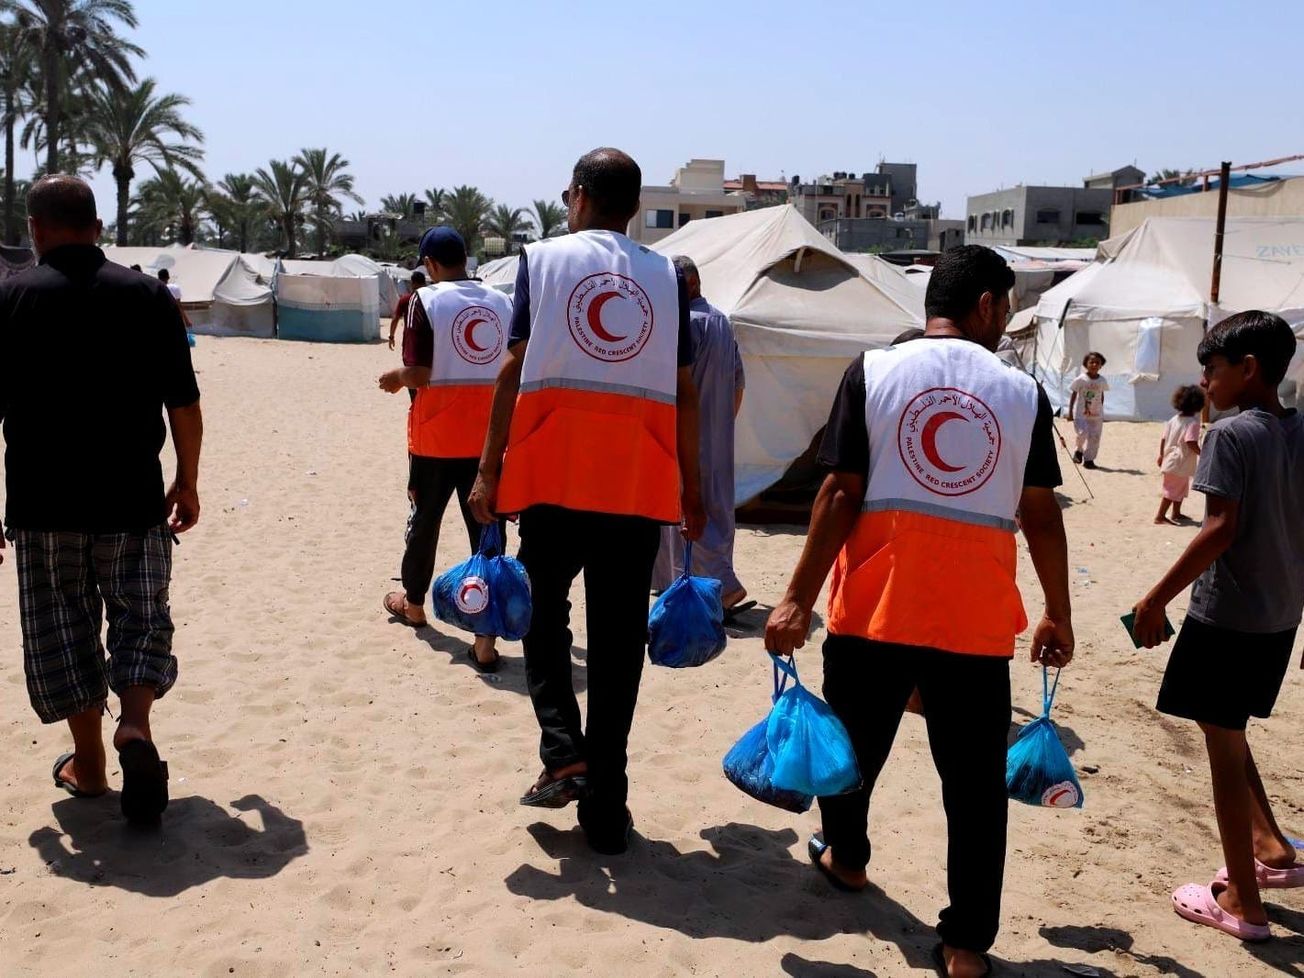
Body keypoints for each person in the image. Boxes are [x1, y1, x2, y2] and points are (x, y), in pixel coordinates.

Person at [765, 245, 1074, 978]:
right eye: (1005, 308)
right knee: (974, 788)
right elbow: (1040, 514)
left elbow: (839, 493)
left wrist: (796, 598)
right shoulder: (1021, 393)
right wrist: (1058, 613)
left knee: (852, 754)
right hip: (974, 620)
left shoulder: (873, 371)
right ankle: (966, 944)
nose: (1005, 321)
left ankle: (848, 858)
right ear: (988, 305)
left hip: (876, 609)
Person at [469, 147, 705, 855]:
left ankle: (563, 748)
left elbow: (512, 368)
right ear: (634, 208)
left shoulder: (542, 261)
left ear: (576, 196)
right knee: (617, 649)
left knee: (541, 617)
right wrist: (693, 487)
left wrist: (488, 470)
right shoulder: (666, 277)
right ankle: (606, 809)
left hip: (554, 477)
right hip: (637, 484)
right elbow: (685, 390)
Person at [0, 176, 202, 826]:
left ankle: (88, 766)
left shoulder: (11, 296)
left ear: (36, 229)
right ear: (97, 226)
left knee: (63, 628)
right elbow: (184, 403)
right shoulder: (147, 295)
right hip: (133, 499)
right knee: (141, 617)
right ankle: (134, 725)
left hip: (42, 506)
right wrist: (187, 479)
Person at [1131, 311, 1303, 943]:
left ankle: (1242, 902)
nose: (1204, 381)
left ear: (1248, 369)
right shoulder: (1298, 428)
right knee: (1225, 729)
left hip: (1228, 618)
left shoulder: (1230, 434)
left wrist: (1155, 600)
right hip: (1279, 616)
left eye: (1212, 369)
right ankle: (1272, 848)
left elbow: (1219, 529)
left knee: (1223, 754)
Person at [378, 228, 510, 672]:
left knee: (425, 522)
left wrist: (395, 378)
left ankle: (414, 605)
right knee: (487, 532)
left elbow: (418, 372)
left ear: (430, 264)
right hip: (488, 439)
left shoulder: (425, 300)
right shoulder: (501, 301)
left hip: (436, 439)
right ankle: (485, 638)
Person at [652, 255, 748, 616]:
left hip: (689, 436)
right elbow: (738, 383)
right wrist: (722, 425)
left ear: (689, 284)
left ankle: (724, 589)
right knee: (716, 511)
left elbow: (674, 386)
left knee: (692, 512)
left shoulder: (687, 324)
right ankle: (690, 586)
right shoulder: (722, 321)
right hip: (717, 436)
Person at [1155, 384, 1205, 525]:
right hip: (1180, 461)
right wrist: (1203, 453)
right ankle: (1160, 516)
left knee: (1180, 488)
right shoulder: (1193, 423)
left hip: (1170, 459)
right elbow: (1191, 442)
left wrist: (1161, 455)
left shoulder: (1174, 419)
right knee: (1172, 490)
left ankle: (1176, 513)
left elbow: (1163, 438)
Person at [1067, 351, 1108, 468]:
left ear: (1101, 365)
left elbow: (1101, 395)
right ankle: (1078, 451)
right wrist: (1070, 412)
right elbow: (1074, 394)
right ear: (1086, 364)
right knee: (1082, 433)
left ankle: (1089, 459)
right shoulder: (1081, 379)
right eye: (1091, 362)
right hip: (1081, 414)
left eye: (1097, 363)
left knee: (1095, 437)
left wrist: (1101, 410)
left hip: (1096, 415)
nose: (1094, 365)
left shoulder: (1102, 380)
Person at [388, 269, 427, 352]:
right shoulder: (430, 299)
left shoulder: (405, 299)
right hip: (427, 340)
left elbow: (395, 319)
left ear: (412, 283)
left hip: (410, 339)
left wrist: (391, 336)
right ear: (424, 284)